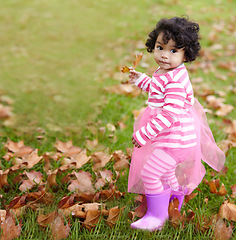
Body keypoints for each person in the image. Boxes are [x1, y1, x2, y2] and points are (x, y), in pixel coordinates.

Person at [127, 16, 225, 231]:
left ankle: (156, 216)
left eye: (173, 51)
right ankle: (175, 197)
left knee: (151, 172)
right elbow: (156, 88)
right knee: (165, 171)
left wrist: (145, 134)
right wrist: (140, 79)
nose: (164, 55)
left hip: (176, 139)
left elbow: (170, 113)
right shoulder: (167, 72)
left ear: (185, 54)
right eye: (160, 47)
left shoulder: (176, 81)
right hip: (171, 137)